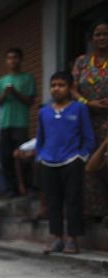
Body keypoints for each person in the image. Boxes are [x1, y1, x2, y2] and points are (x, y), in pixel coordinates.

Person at [36, 71, 95, 254]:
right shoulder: (44, 112)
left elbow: (89, 137)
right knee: (53, 201)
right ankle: (57, 238)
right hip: (49, 162)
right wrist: (40, 155)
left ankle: (72, 239)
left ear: (70, 88)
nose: (56, 89)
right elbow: (40, 138)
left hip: (72, 160)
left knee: (73, 200)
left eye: (61, 85)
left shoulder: (79, 108)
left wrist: (81, 156)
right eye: (53, 85)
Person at [73, 19, 108, 225]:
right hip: (87, 119)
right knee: (89, 163)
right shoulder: (82, 62)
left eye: (106, 34)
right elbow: (72, 88)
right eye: (98, 34)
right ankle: (95, 210)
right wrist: (88, 103)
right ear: (91, 39)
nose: (102, 38)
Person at [0, 48, 37, 196]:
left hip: (20, 123)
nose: (12, 61)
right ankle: (11, 188)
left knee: (24, 156)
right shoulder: (1, 81)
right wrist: (5, 94)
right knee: (6, 157)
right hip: (4, 124)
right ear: (6, 61)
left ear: (21, 59)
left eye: (15, 57)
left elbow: (30, 101)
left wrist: (16, 93)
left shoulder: (28, 78)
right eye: (9, 58)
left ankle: (29, 186)